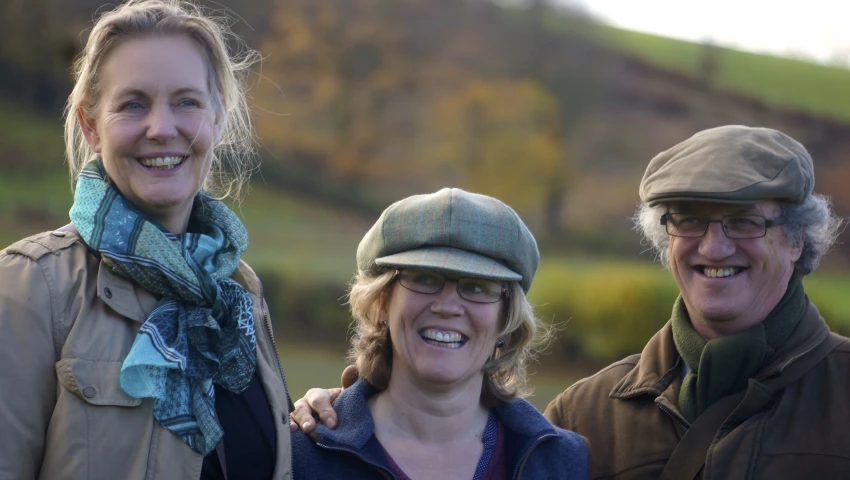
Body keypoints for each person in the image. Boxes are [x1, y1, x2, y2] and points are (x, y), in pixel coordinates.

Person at [291, 126, 850, 479]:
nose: (714, 246)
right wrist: (340, 416)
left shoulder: (549, 449)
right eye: (690, 220)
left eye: (745, 222)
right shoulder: (582, 422)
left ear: (798, 238)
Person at [0, 1, 292, 479]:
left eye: (187, 102)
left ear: (216, 120)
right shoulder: (30, 287)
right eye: (134, 104)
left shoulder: (237, 294)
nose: (162, 128)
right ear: (91, 127)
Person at [291, 188, 590, 479]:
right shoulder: (300, 455)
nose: (448, 307)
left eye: (476, 286)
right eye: (424, 279)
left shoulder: (561, 463)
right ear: (382, 301)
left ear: (506, 319)